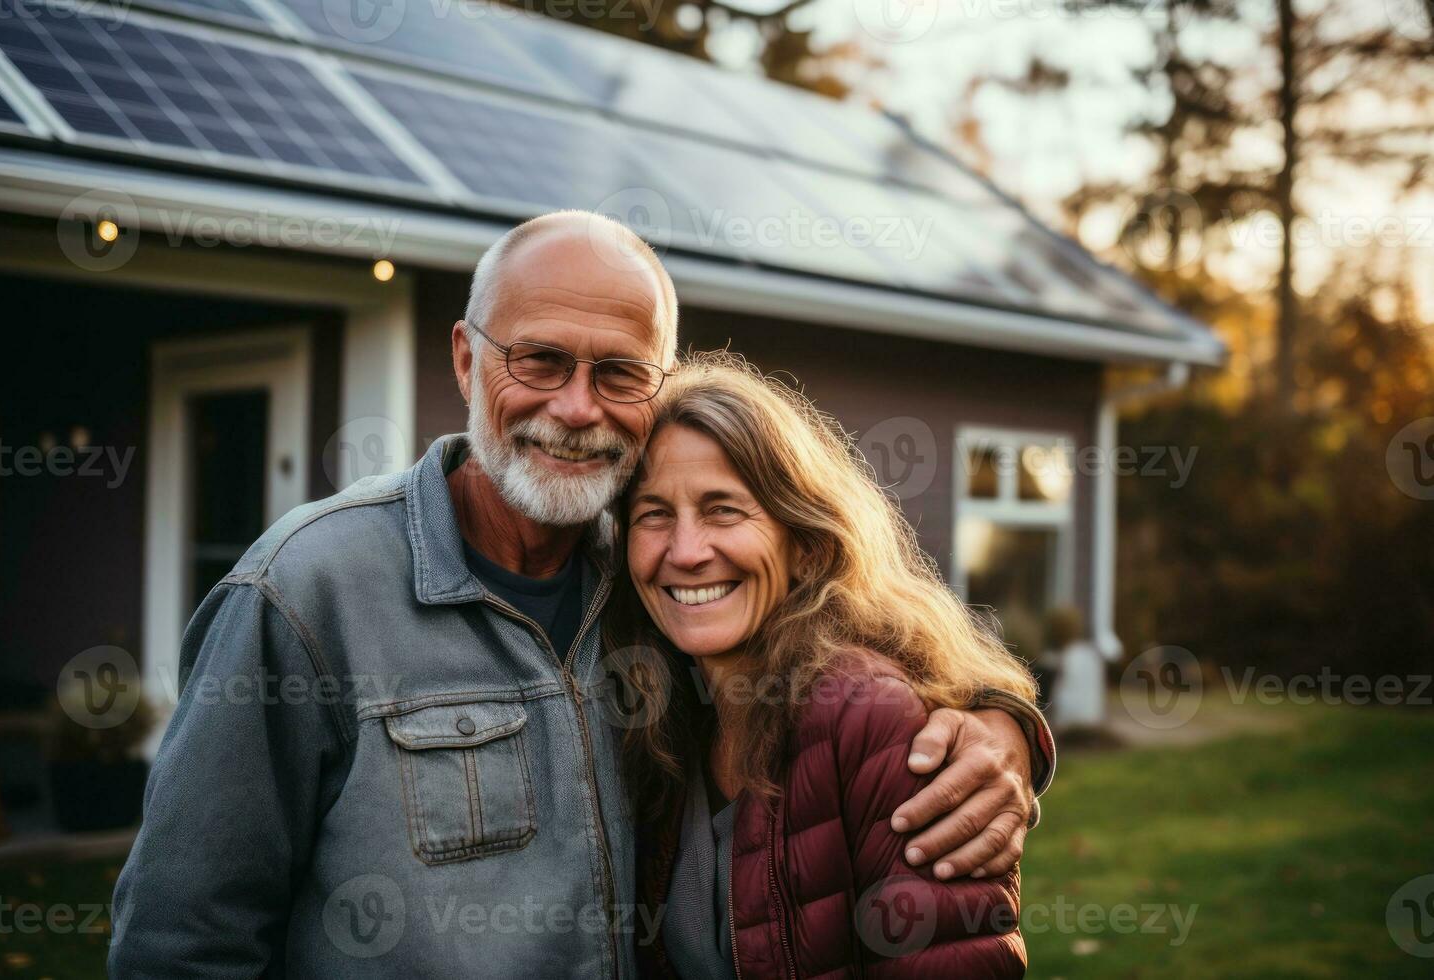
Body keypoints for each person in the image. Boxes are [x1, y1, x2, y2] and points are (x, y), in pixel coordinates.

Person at [109, 211, 1053, 977]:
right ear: (466, 361)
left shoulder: (653, 577)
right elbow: (181, 943)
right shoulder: (306, 593)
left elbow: (849, 630)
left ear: (658, 386)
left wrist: (1000, 722)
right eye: (541, 360)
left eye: (618, 373)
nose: (576, 407)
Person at [610, 354, 1033, 977]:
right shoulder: (664, 716)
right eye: (654, 514)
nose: (687, 550)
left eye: (725, 509)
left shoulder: (870, 718)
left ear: (805, 545)